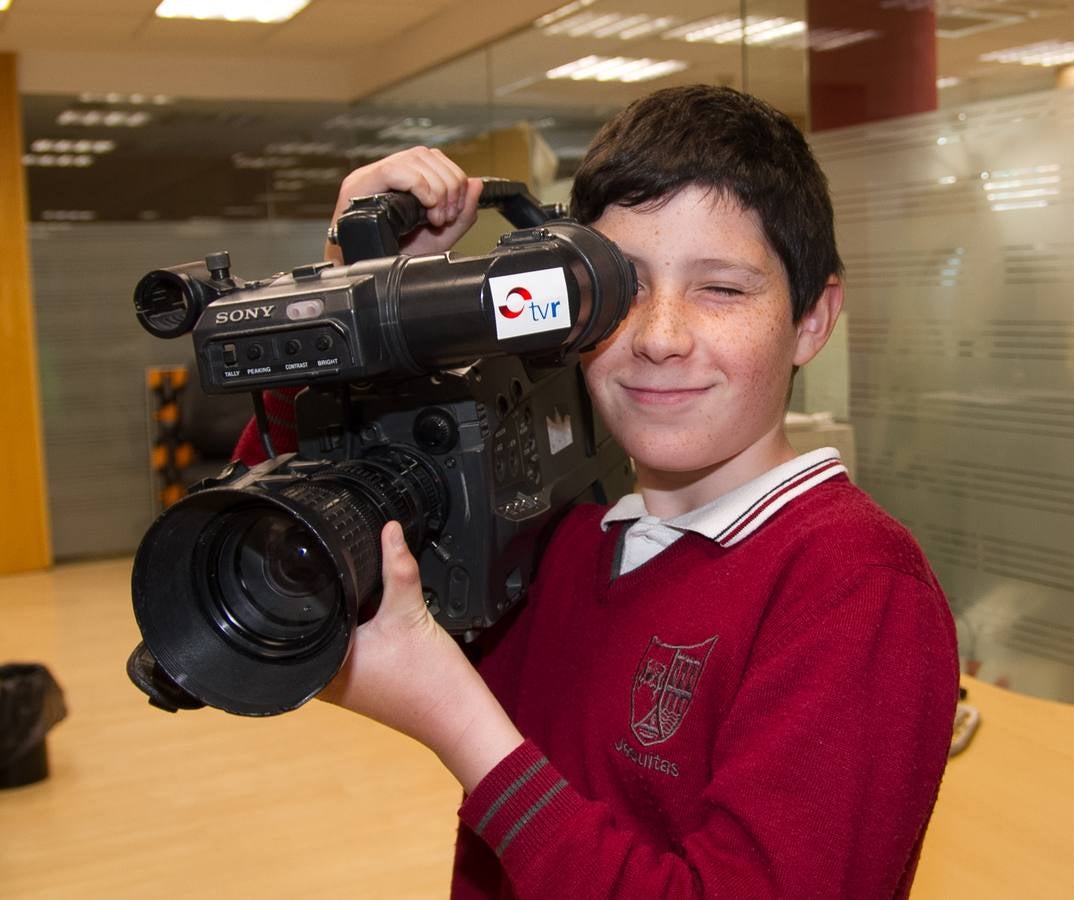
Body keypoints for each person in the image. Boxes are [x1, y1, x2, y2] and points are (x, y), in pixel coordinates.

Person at [263, 85, 961, 898]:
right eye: (620, 287)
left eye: (722, 289)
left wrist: (464, 726)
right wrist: (362, 288)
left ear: (812, 317)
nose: (661, 337)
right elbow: (282, 548)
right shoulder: (565, 543)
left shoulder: (856, 586)